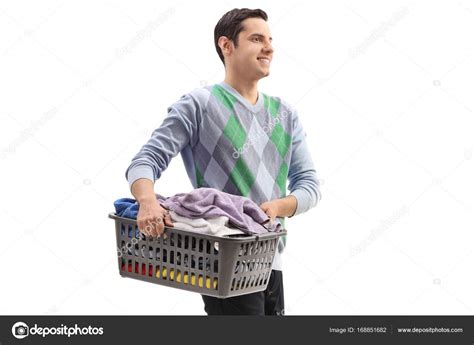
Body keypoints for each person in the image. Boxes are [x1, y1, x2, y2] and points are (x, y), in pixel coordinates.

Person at [125, 8, 321, 315]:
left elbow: (309, 184)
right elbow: (145, 160)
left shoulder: (284, 114)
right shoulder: (200, 105)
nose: (268, 47)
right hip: (225, 263)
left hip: (271, 260)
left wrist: (277, 208)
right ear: (226, 46)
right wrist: (148, 201)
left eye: (270, 39)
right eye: (256, 39)